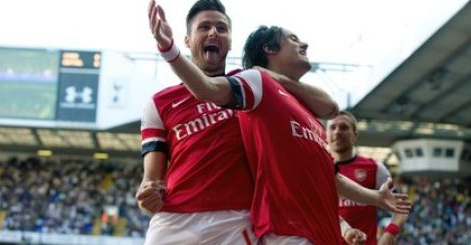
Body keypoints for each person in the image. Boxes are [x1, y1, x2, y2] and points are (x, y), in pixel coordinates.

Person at [148, 4, 411, 244]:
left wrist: (374, 198)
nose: (304, 44)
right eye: (293, 39)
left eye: (221, 27)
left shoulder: (305, 111)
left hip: (322, 235)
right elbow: (206, 88)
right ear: (269, 50)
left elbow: (328, 171)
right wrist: (168, 49)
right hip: (283, 232)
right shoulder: (255, 85)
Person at [137, 0, 340, 244]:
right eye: (204, 27)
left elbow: (329, 107)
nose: (214, 32)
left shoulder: (253, 87)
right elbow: (151, 179)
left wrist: (270, 76)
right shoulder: (159, 103)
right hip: (174, 221)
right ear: (187, 41)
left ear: (230, 41)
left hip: (237, 221)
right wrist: (148, 193)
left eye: (222, 28)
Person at [327, 111, 409, 245]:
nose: (337, 132)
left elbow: (402, 206)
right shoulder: (318, 169)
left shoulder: (374, 168)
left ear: (355, 135)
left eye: (343, 127)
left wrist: (389, 233)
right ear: (325, 134)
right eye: (332, 127)